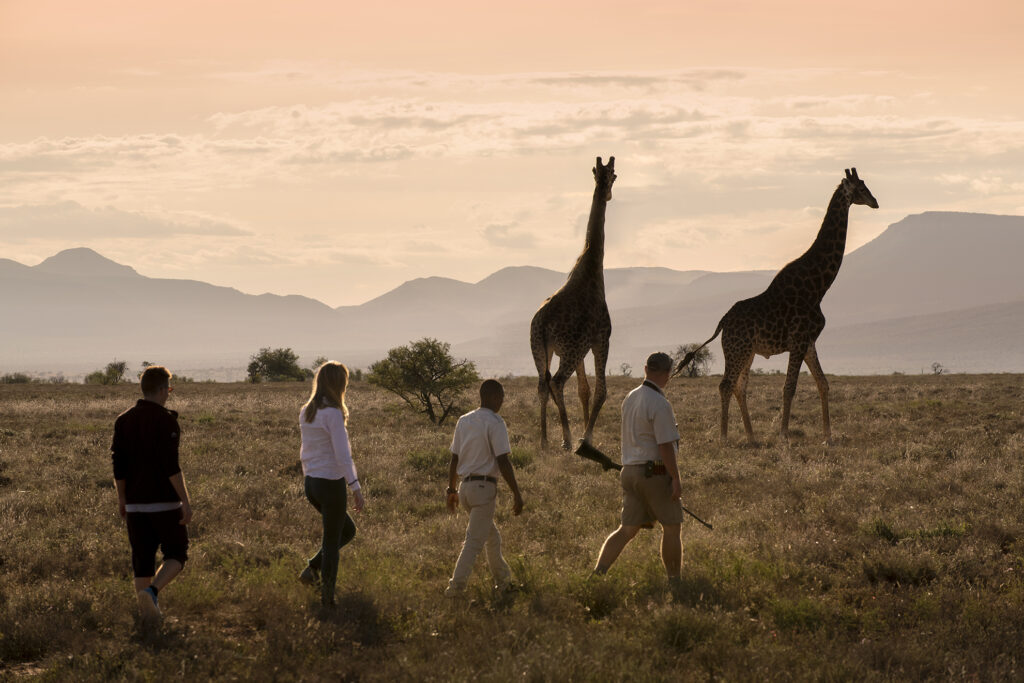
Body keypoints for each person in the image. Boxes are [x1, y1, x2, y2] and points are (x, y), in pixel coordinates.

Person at [111, 365, 192, 624]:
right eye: (169, 389)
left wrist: (122, 498)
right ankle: (152, 592)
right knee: (177, 553)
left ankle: (147, 618)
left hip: (134, 504)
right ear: (160, 390)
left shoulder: (122, 420)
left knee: (142, 560)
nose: (169, 394)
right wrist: (186, 502)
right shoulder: (166, 420)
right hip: (164, 503)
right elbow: (171, 467)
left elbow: (119, 466)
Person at [594, 351, 683, 584]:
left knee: (626, 530)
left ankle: (598, 574)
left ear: (645, 369)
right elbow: (664, 446)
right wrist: (675, 478)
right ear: (667, 373)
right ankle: (675, 582)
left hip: (629, 471)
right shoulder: (660, 404)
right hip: (655, 471)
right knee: (672, 527)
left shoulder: (630, 398)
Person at [444, 379, 524, 597]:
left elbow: (454, 458)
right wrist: (517, 493)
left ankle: (504, 582)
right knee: (474, 542)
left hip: (465, 490)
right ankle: (455, 588)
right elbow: (503, 461)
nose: (503, 401)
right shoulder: (496, 422)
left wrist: (451, 491)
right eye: (502, 397)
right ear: (492, 397)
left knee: (492, 537)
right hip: (483, 490)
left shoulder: (464, 420)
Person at [299, 361, 365, 608]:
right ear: (340, 384)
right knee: (332, 542)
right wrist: (355, 487)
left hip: (311, 483)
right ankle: (327, 599)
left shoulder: (307, 410)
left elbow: (306, 449)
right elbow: (343, 455)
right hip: (330, 484)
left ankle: (312, 568)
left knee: (347, 531)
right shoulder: (334, 413)